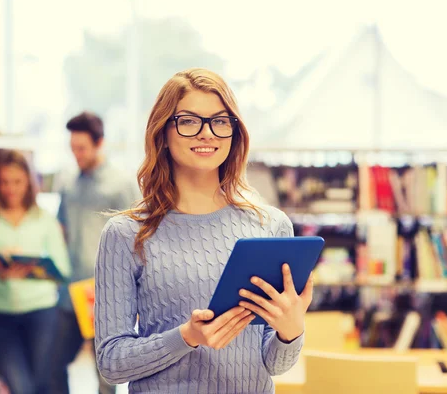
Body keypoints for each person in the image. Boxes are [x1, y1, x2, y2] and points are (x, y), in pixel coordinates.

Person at [94, 68, 313, 394]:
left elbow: (274, 364)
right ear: (163, 133)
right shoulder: (126, 234)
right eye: (188, 121)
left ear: (234, 133)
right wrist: (186, 337)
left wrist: (291, 331)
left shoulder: (271, 225)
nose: (207, 133)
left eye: (220, 121)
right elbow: (112, 363)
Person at [51, 111, 139, 394]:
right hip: (69, 292)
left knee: (106, 376)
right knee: (52, 364)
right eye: (72, 149)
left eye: (82, 149)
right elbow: (60, 229)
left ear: (99, 143)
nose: (76, 154)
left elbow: (137, 237)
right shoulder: (68, 184)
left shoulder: (121, 185)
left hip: (104, 295)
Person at [0, 150, 71, 394]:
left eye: (17, 182)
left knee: (43, 385)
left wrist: (32, 269)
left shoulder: (44, 220)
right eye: (4, 182)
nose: (10, 189)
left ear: (28, 182)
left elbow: (63, 269)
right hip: (1, 315)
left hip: (41, 314)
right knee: (21, 387)